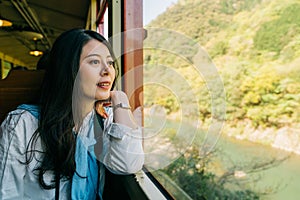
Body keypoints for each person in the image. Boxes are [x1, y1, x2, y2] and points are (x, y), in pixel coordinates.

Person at [0, 28, 144, 199]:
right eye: (94, 62)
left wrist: (120, 99)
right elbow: (6, 193)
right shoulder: (22, 123)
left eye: (110, 63)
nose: (107, 70)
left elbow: (128, 164)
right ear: (69, 69)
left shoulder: (104, 121)